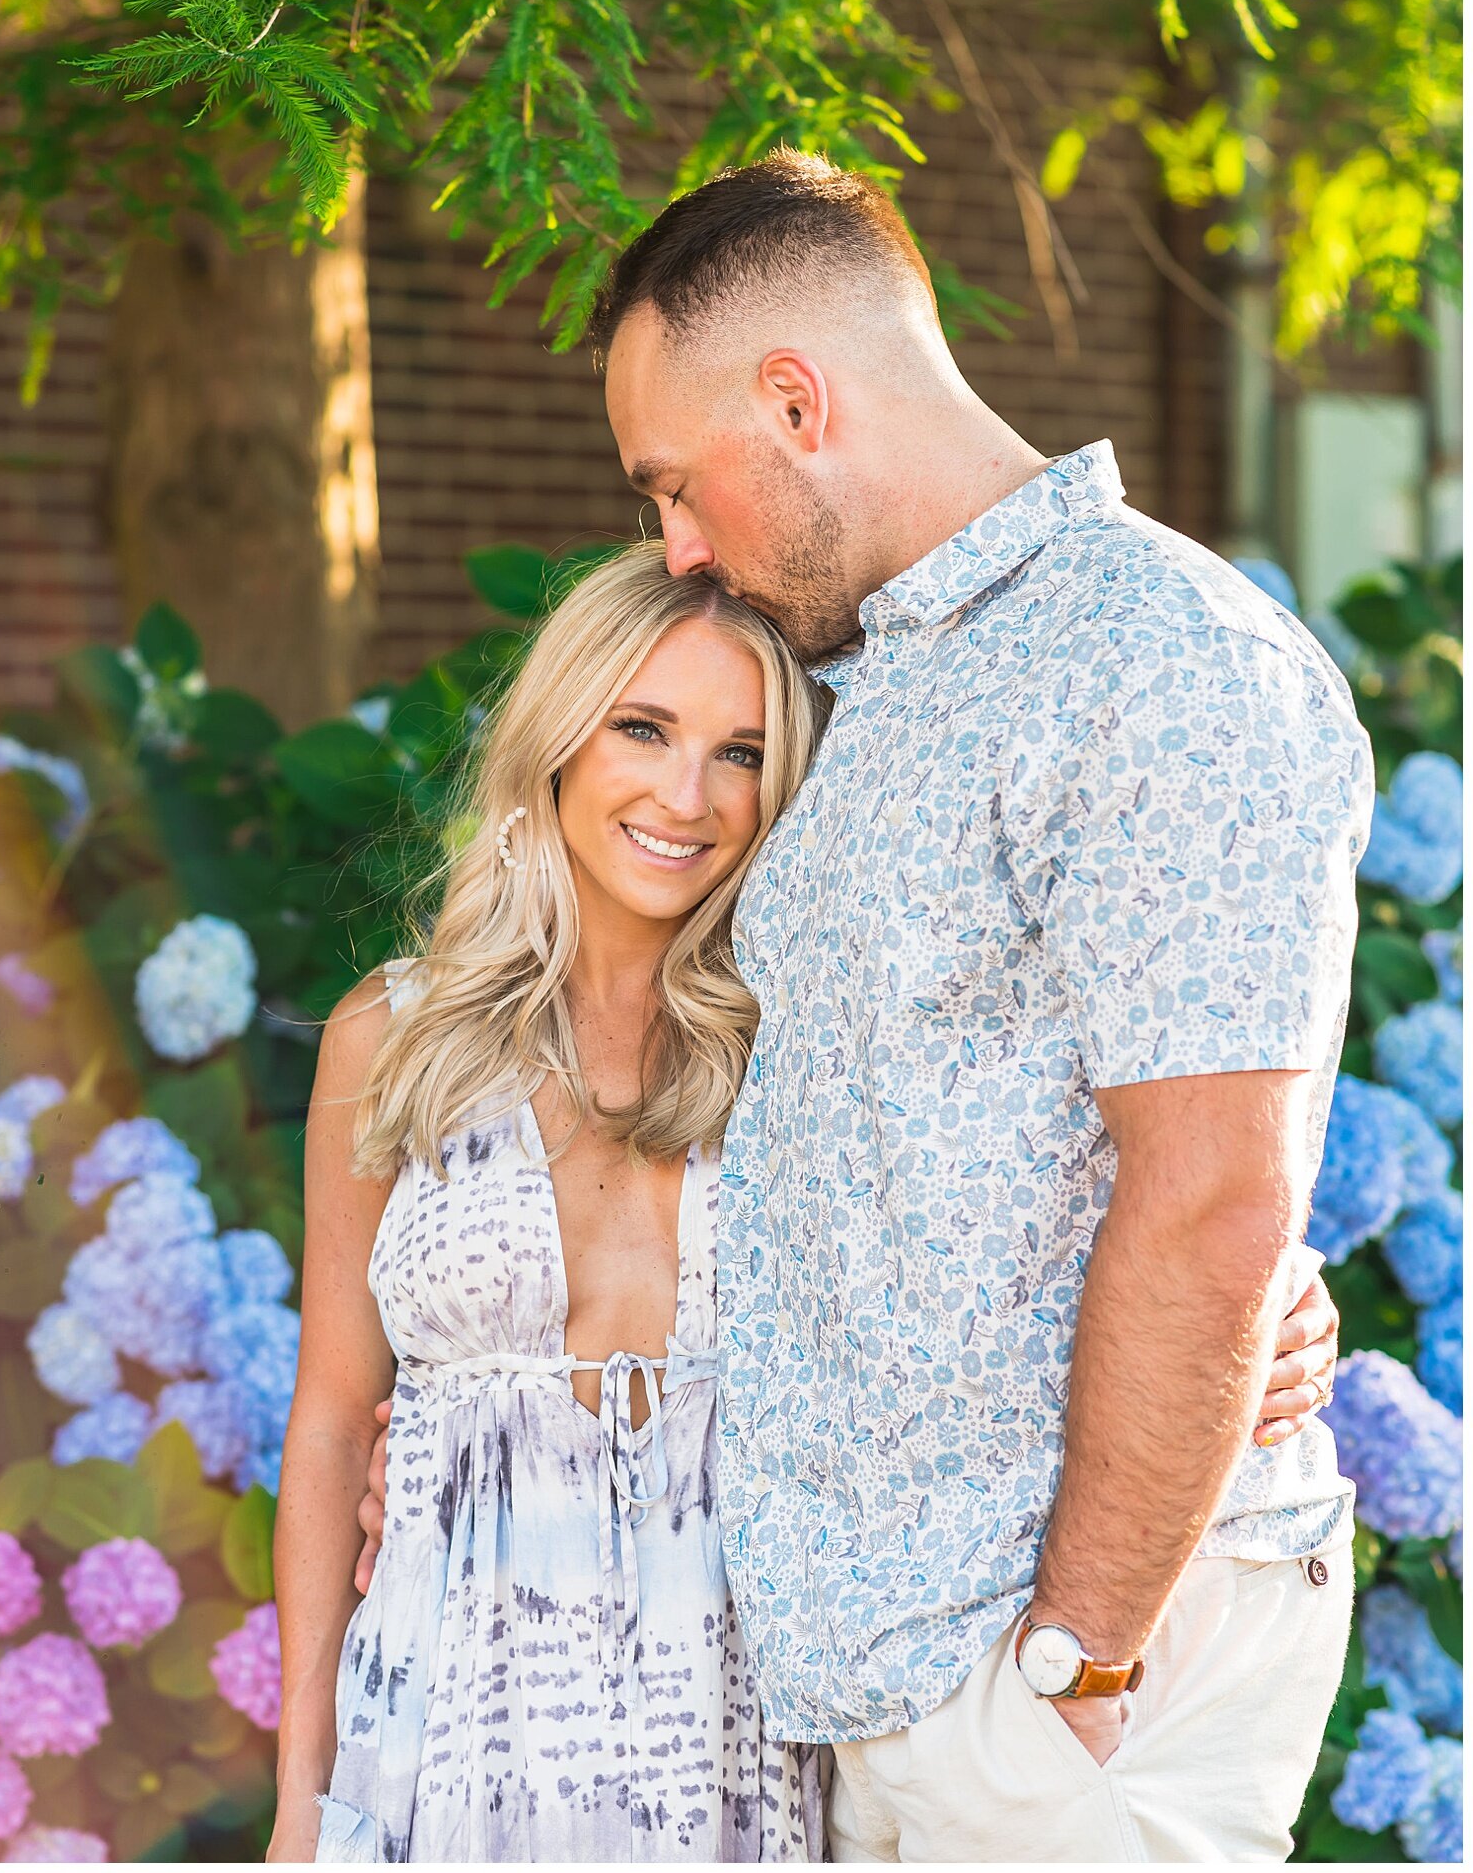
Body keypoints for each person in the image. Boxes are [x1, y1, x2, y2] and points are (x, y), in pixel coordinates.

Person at [347, 149, 1355, 1864]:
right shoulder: (860, 688)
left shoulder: (1162, 661)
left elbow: (1215, 1194)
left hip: (1048, 1673)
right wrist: (466, 1407)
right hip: (866, 1685)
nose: (673, 542)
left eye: (675, 483)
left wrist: (1080, 1655)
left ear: (798, 403)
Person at [271, 548, 831, 1863]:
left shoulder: (801, 1054)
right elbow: (333, 1420)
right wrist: (302, 1797)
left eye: (740, 751)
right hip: (448, 1737)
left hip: (734, 1749)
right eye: (644, 727)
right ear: (561, 739)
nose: (686, 795)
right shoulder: (396, 1038)